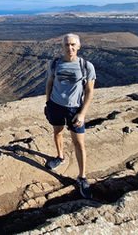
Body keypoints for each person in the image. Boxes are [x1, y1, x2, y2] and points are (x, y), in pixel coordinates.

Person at [44, 33, 96, 198]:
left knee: (79, 143)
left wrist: (82, 113)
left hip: (74, 109)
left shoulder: (86, 66)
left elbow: (89, 92)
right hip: (56, 106)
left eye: (73, 44)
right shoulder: (55, 64)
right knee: (57, 132)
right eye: (66, 45)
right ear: (62, 47)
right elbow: (49, 85)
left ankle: (82, 177)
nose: (70, 48)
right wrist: (48, 104)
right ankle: (60, 157)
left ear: (79, 46)